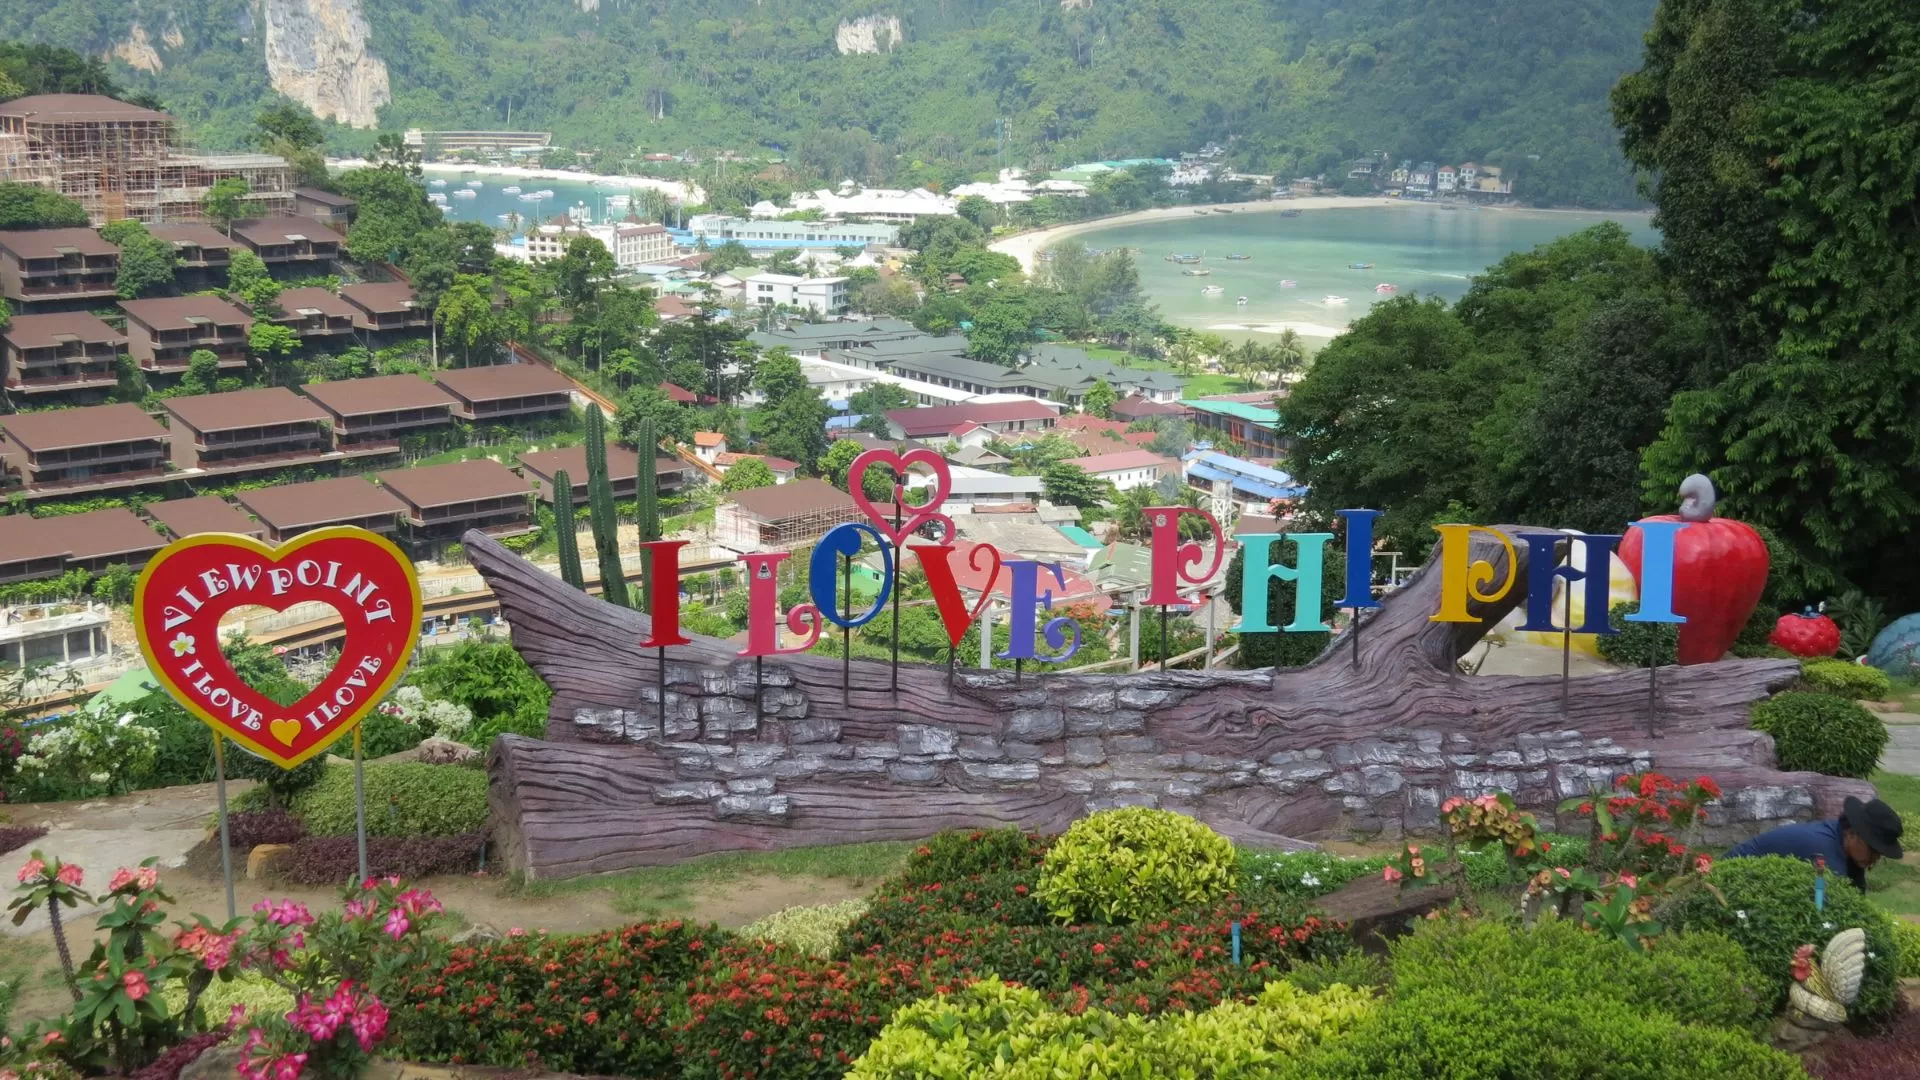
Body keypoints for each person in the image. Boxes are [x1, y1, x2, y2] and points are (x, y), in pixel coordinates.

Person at [1721, 796, 1903, 891]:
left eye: (1879, 855)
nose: (1874, 859)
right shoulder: (1823, 849)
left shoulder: (1846, 845)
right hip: (1728, 878)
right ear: (1853, 834)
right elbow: (1828, 907)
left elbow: (1857, 899)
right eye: (1873, 850)